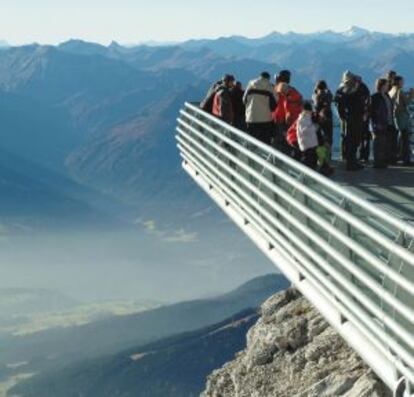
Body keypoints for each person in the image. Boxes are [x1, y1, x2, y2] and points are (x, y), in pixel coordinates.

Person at [334, 71, 365, 171]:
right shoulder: (343, 90)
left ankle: (353, 161)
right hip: (350, 118)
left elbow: (365, 93)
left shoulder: (357, 88)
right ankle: (350, 163)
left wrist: (359, 83)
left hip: (357, 117)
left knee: (355, 140)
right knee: (351, 140)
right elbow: (342, 102)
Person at [243, 72, 277, 145]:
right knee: (265, 143)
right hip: (265, 119)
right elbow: (275, 103)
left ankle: (250, 155)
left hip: (251, 118)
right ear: (268, 78)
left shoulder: (250, 84)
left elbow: (244, 100)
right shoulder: (270, 87)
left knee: (252, 142)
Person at [273, 70, 303, 152]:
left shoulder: (280, 90)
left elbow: (283, 105)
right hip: (294, 120)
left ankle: (278, 162)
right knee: (290, 141)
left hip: (282, 120)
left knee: (278, 143)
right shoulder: (294, 91)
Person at [389, 76, 412, 165]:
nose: (403, 83)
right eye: (402, 81)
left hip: (395, 117)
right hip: (402, 116)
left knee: (399, 137)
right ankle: (406, 159)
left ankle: (395, 156)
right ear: (398, 82)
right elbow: (406, 102)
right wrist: (411, 94)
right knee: (404, 137)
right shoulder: (399, 91)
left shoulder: (391, 91)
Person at [371, 78, 390, 168]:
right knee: (377, 143)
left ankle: (381, 161)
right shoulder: (375, 97)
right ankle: (377, 162)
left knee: (383, 143)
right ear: (382, 86)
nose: (388, 86)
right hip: (377, 123)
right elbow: (372, 111)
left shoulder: (386, 95)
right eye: (386, 85)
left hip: (385, 122)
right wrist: (374, 122)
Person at [296, 101, 319, 170]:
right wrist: (315, 127)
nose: (311, 112)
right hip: (307, 144)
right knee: (309, 162)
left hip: (310, 143)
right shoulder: (303, 119)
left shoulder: (307, 117)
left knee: (313, 160)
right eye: (310, 110)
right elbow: (304, 131)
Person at [312, 80, 334, 152]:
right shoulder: (328, 95)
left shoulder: (315, 96)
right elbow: (331, 97)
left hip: (317, 118)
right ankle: (328, 154)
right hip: (327, 116)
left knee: (318, 137)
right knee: (328, 136)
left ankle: (319, 155)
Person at [355, 76, 371, 163]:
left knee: (362, 137)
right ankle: (364, 156)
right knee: (364, 137)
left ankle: (362, 155)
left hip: (361, 116)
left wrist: (365, 112)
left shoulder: (359, 89)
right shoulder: (364, 88)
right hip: (364, 116)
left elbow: (366, 102)